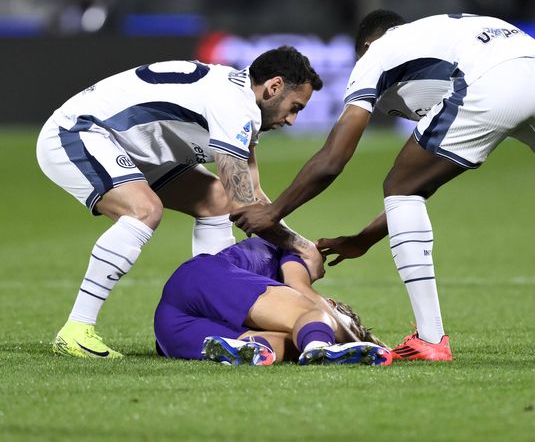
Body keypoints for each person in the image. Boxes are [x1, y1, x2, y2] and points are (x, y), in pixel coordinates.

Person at [231, 11, 535, 361]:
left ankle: (430, 339)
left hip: (493, 79)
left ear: (367, 46)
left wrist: (273, 212)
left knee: (399, 185)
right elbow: (430, 182)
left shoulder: (377, 54)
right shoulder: (445, 37)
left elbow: (334, 159)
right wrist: (365, 238)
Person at [37, 46, 326, 359]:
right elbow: (245, 205)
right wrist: (299, 247)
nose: (293, 120)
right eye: (294, 107)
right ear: (273, 87)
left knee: (216, 200)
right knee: (144, 209)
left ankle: (209, 312)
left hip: (135, 147)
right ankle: (77, 330)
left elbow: (252, 197)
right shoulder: (233, 106)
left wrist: (299, 244)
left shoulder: (241, 104)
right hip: (79, 131)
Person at [155, 237, 391, 366]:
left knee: (278, 346)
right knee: (308, 312)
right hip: (204, 277)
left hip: (170, 328)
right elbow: (301, 289)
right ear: (331, 303)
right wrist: (353, 341)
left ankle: (244, 349)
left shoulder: (270, 310)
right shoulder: (294, 248)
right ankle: (319, 349)